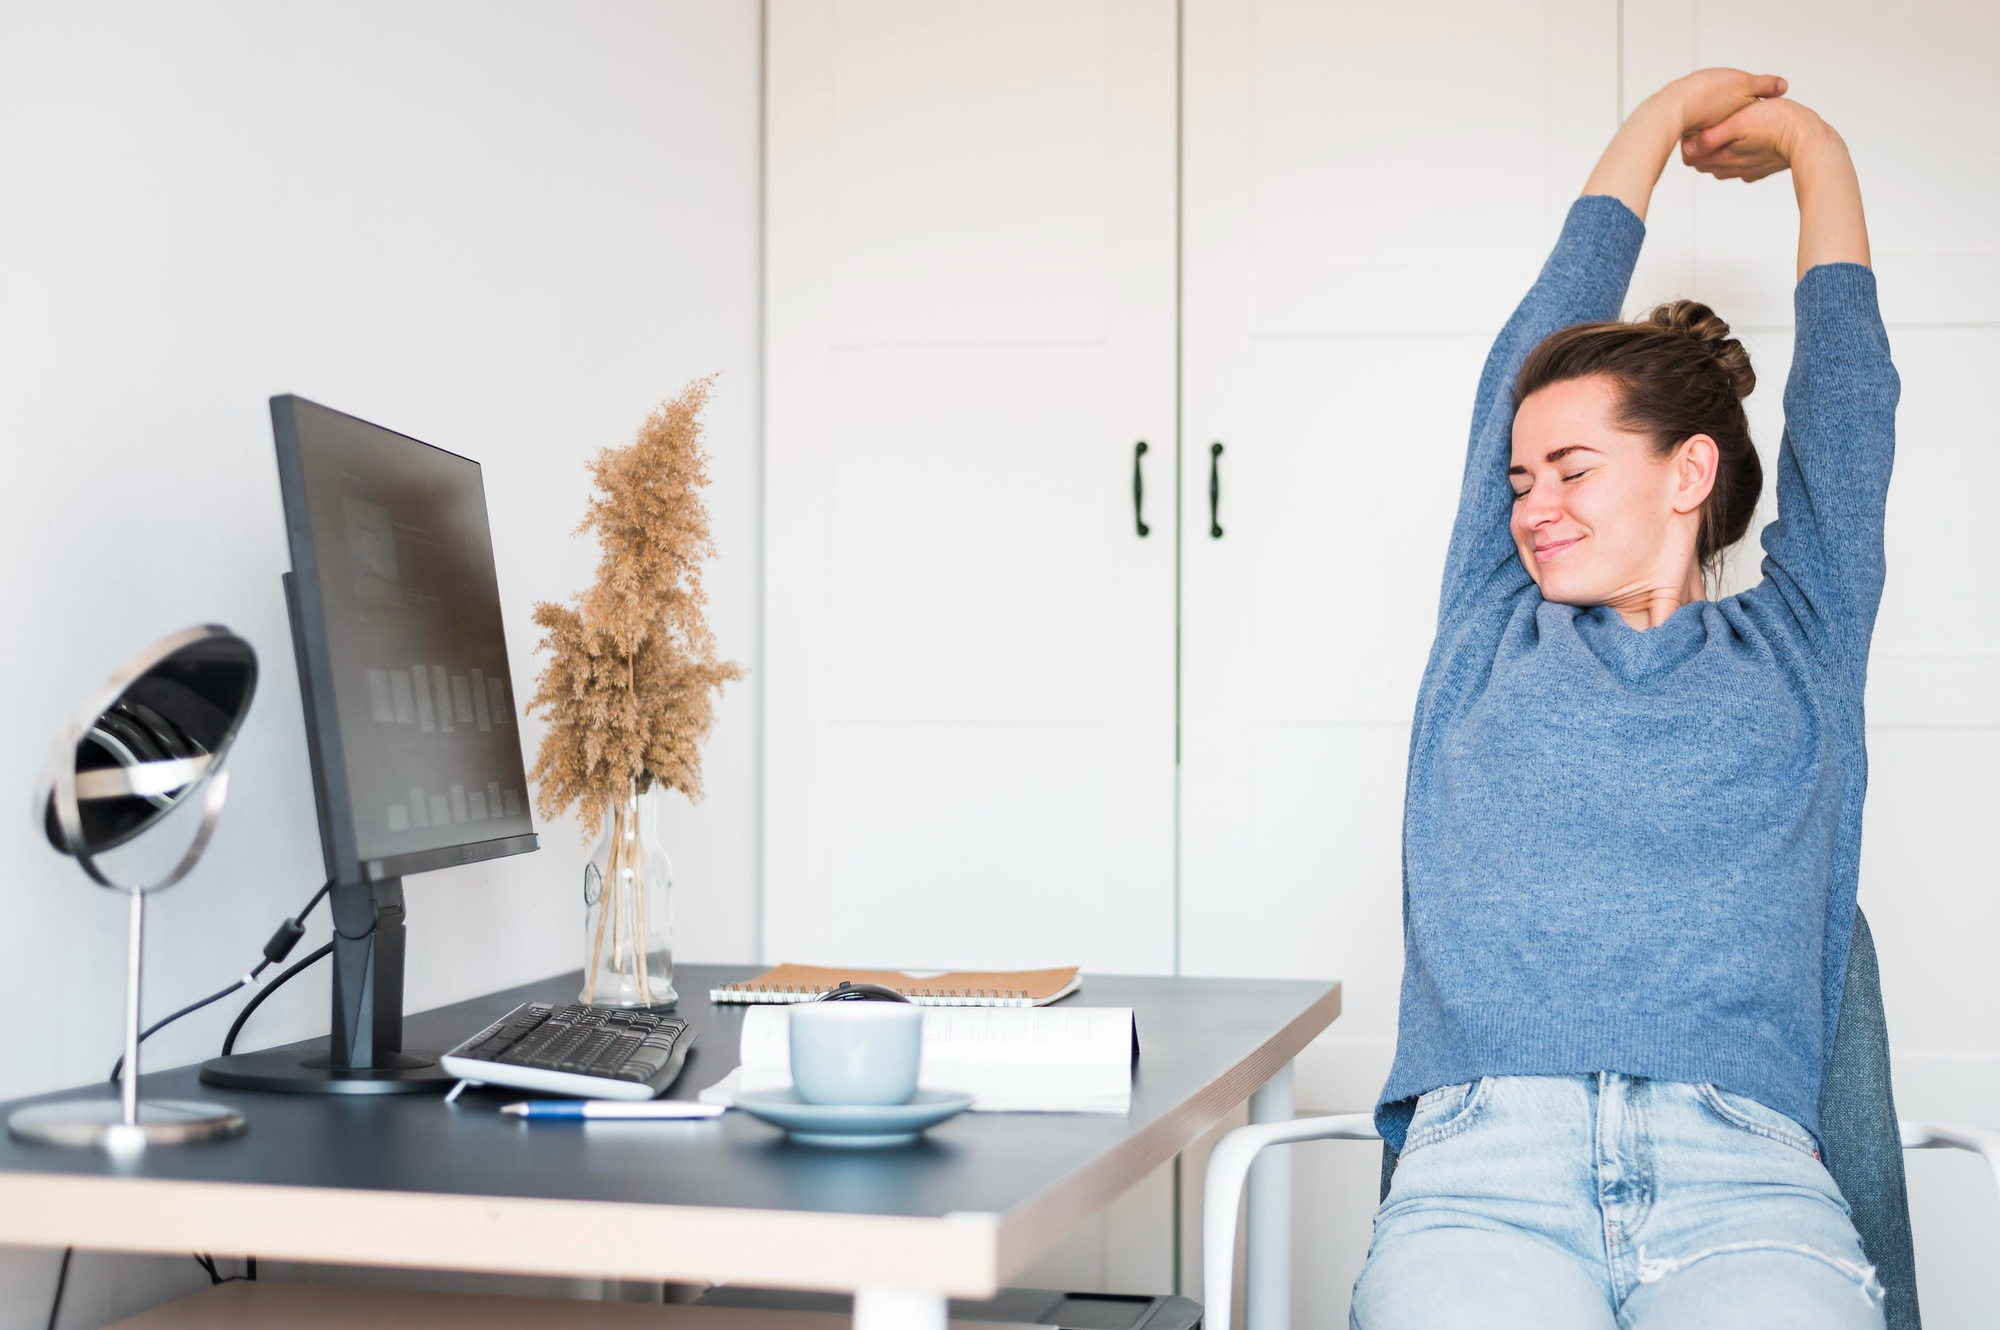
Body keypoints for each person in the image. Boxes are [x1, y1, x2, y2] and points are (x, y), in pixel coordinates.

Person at [1350, 68, 1897, 1328]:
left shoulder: (1799, 643)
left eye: (1572, 468)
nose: (1531, 502)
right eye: (1517, 477)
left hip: (1744, 1175)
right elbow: (1517, 363)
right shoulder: (1489, 626)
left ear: (1686, 471)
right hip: (1485, 1170)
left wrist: (1813, 150)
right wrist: (1649, 129)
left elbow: (1850, 408)